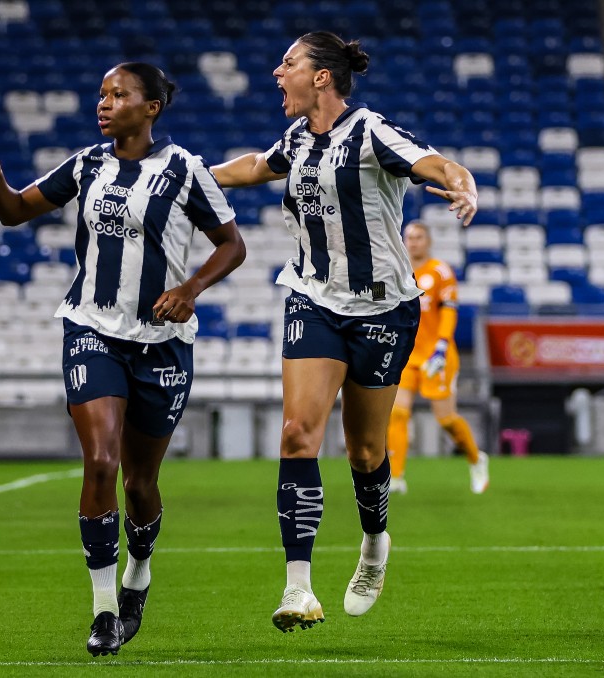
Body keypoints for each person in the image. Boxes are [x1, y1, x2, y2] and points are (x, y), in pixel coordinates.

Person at [0, 62, 245, 657]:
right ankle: (101, 613)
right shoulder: (87, 164)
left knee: (141, 481)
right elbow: (14, 211)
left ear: (151, 108)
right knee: (101, 462)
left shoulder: (185, 170)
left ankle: (137, 578)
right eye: (101, 94)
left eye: (119, 95)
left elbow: (233, 245)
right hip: (91, 328)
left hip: (163, 343)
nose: (105, 103)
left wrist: (190, 289)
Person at [212, 32, 478, 631]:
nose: (277, 73)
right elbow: (259, 164)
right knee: (298, 432)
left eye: (288, 64)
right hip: (313, 297)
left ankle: (374, 544)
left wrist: (463, 182)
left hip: (383, 309)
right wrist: (199, 177)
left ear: (322, 77)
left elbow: (434, 163)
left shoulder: (369, 130)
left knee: (364, 450)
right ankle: (298, 588)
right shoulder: (297, 139)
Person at [387, 220, 489, 496]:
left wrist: (442, 346)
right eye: (409, 237)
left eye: (419, 237)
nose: (413, 242)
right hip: (406, 355)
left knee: (446, 420)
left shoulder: (440, 272)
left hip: (436, 356)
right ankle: (396, 477)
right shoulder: (395, 269)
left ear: (428, 241)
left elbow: (448, 310)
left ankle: (476, 459)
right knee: (397, 412)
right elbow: (380, 298)